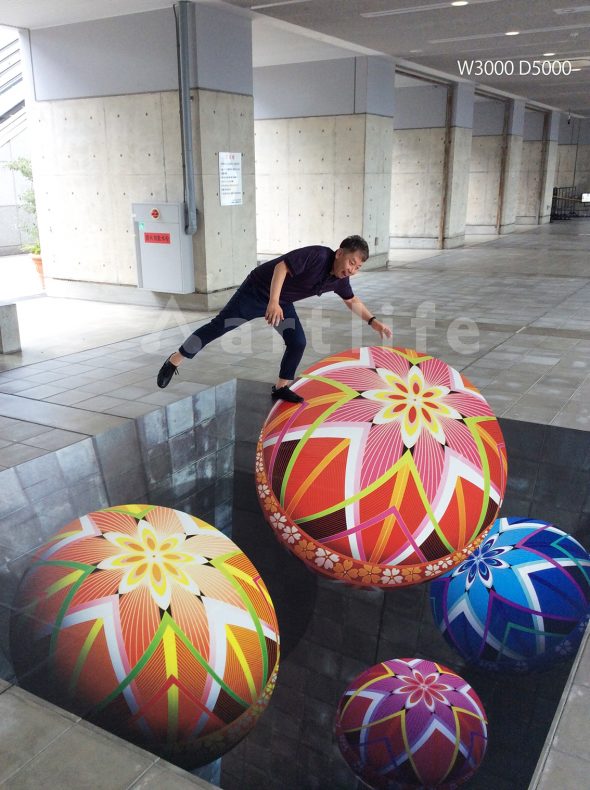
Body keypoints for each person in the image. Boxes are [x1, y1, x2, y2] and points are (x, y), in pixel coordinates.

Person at [157, 235, 393, 402]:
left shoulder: (340, 279)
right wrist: (273, 301)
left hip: (281, 302)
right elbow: (281, 268)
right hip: (256, 292)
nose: (352, 270)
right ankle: (175, 360)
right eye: (351, 262)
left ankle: (281, 387)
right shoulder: (317, 255)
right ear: (339, 253)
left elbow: (351, 300)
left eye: (358, 267)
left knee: (297, 342)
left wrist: (373, 321)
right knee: (217, 328)